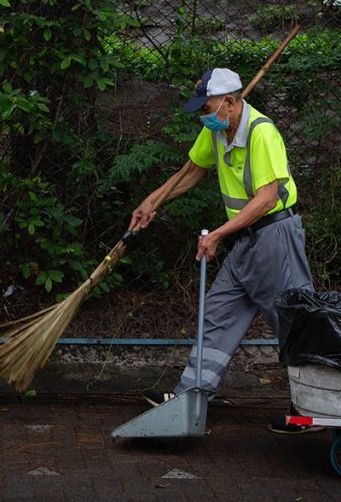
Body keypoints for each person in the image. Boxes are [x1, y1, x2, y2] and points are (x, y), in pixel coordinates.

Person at [128, 67, 316, 434]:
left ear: (230, 103)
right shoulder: (216, 129)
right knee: (216, 315)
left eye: (207, 107)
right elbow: (192, 170)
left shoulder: (263, 133)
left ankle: (313, 408)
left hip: (275, 238)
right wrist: (152, 201)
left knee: (296, 324)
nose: (203, 116)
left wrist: (217, 234)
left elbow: (265, 199)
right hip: (245, 241)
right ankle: (189, 400)